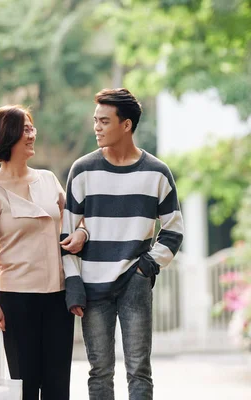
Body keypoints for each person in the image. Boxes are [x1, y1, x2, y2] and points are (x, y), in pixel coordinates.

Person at [61, 88, 184, 400]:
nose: (97, 127)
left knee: (139, 369)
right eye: (95, 121)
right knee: (99, 372)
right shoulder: (82, 170)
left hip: (135, 282)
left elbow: (173, 230)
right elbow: (65, 235)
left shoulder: (157, 172)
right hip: (92, 286)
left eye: (104, 121)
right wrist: (74, 284)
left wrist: (146, 268)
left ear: (126, 125)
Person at [0, 105, 88, 400]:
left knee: (58, 385)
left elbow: (76, 220)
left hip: (58, 296)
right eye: (25, 129)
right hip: (16, 299)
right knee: (25, 383)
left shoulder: (48, 179)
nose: (32, 134)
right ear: (6, 135)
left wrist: (81, 235)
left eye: (32, 128)